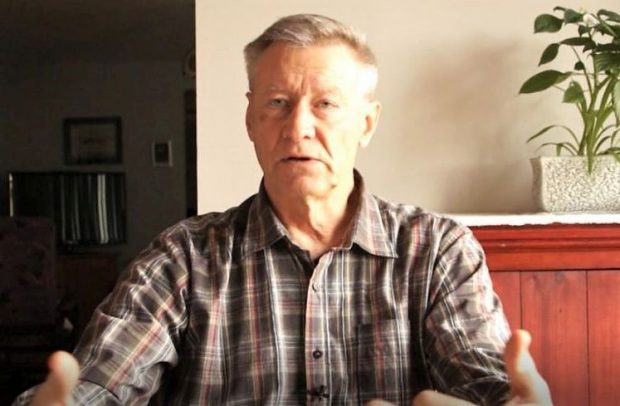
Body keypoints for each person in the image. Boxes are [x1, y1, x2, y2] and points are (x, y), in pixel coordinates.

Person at [15, 14, 552, 406]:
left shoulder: (436, 250)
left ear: (366, 122)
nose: (298, 127)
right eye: (277, 103)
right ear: (251, 119)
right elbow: (100, 383)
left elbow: (487, 384)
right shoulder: (183, 257)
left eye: (325, 104)